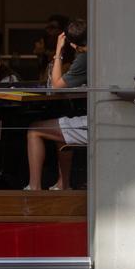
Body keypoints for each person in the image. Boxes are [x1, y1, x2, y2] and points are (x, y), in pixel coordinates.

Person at [25, 19, 88, 191]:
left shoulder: (84, 58)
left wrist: (58, 51)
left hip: (95, 122)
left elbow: (55, 86)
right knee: (58, 132)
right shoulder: (98, 51)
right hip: (101, 116)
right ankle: (63, 184)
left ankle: (34, 188)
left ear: (73, 44)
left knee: (34, 131)